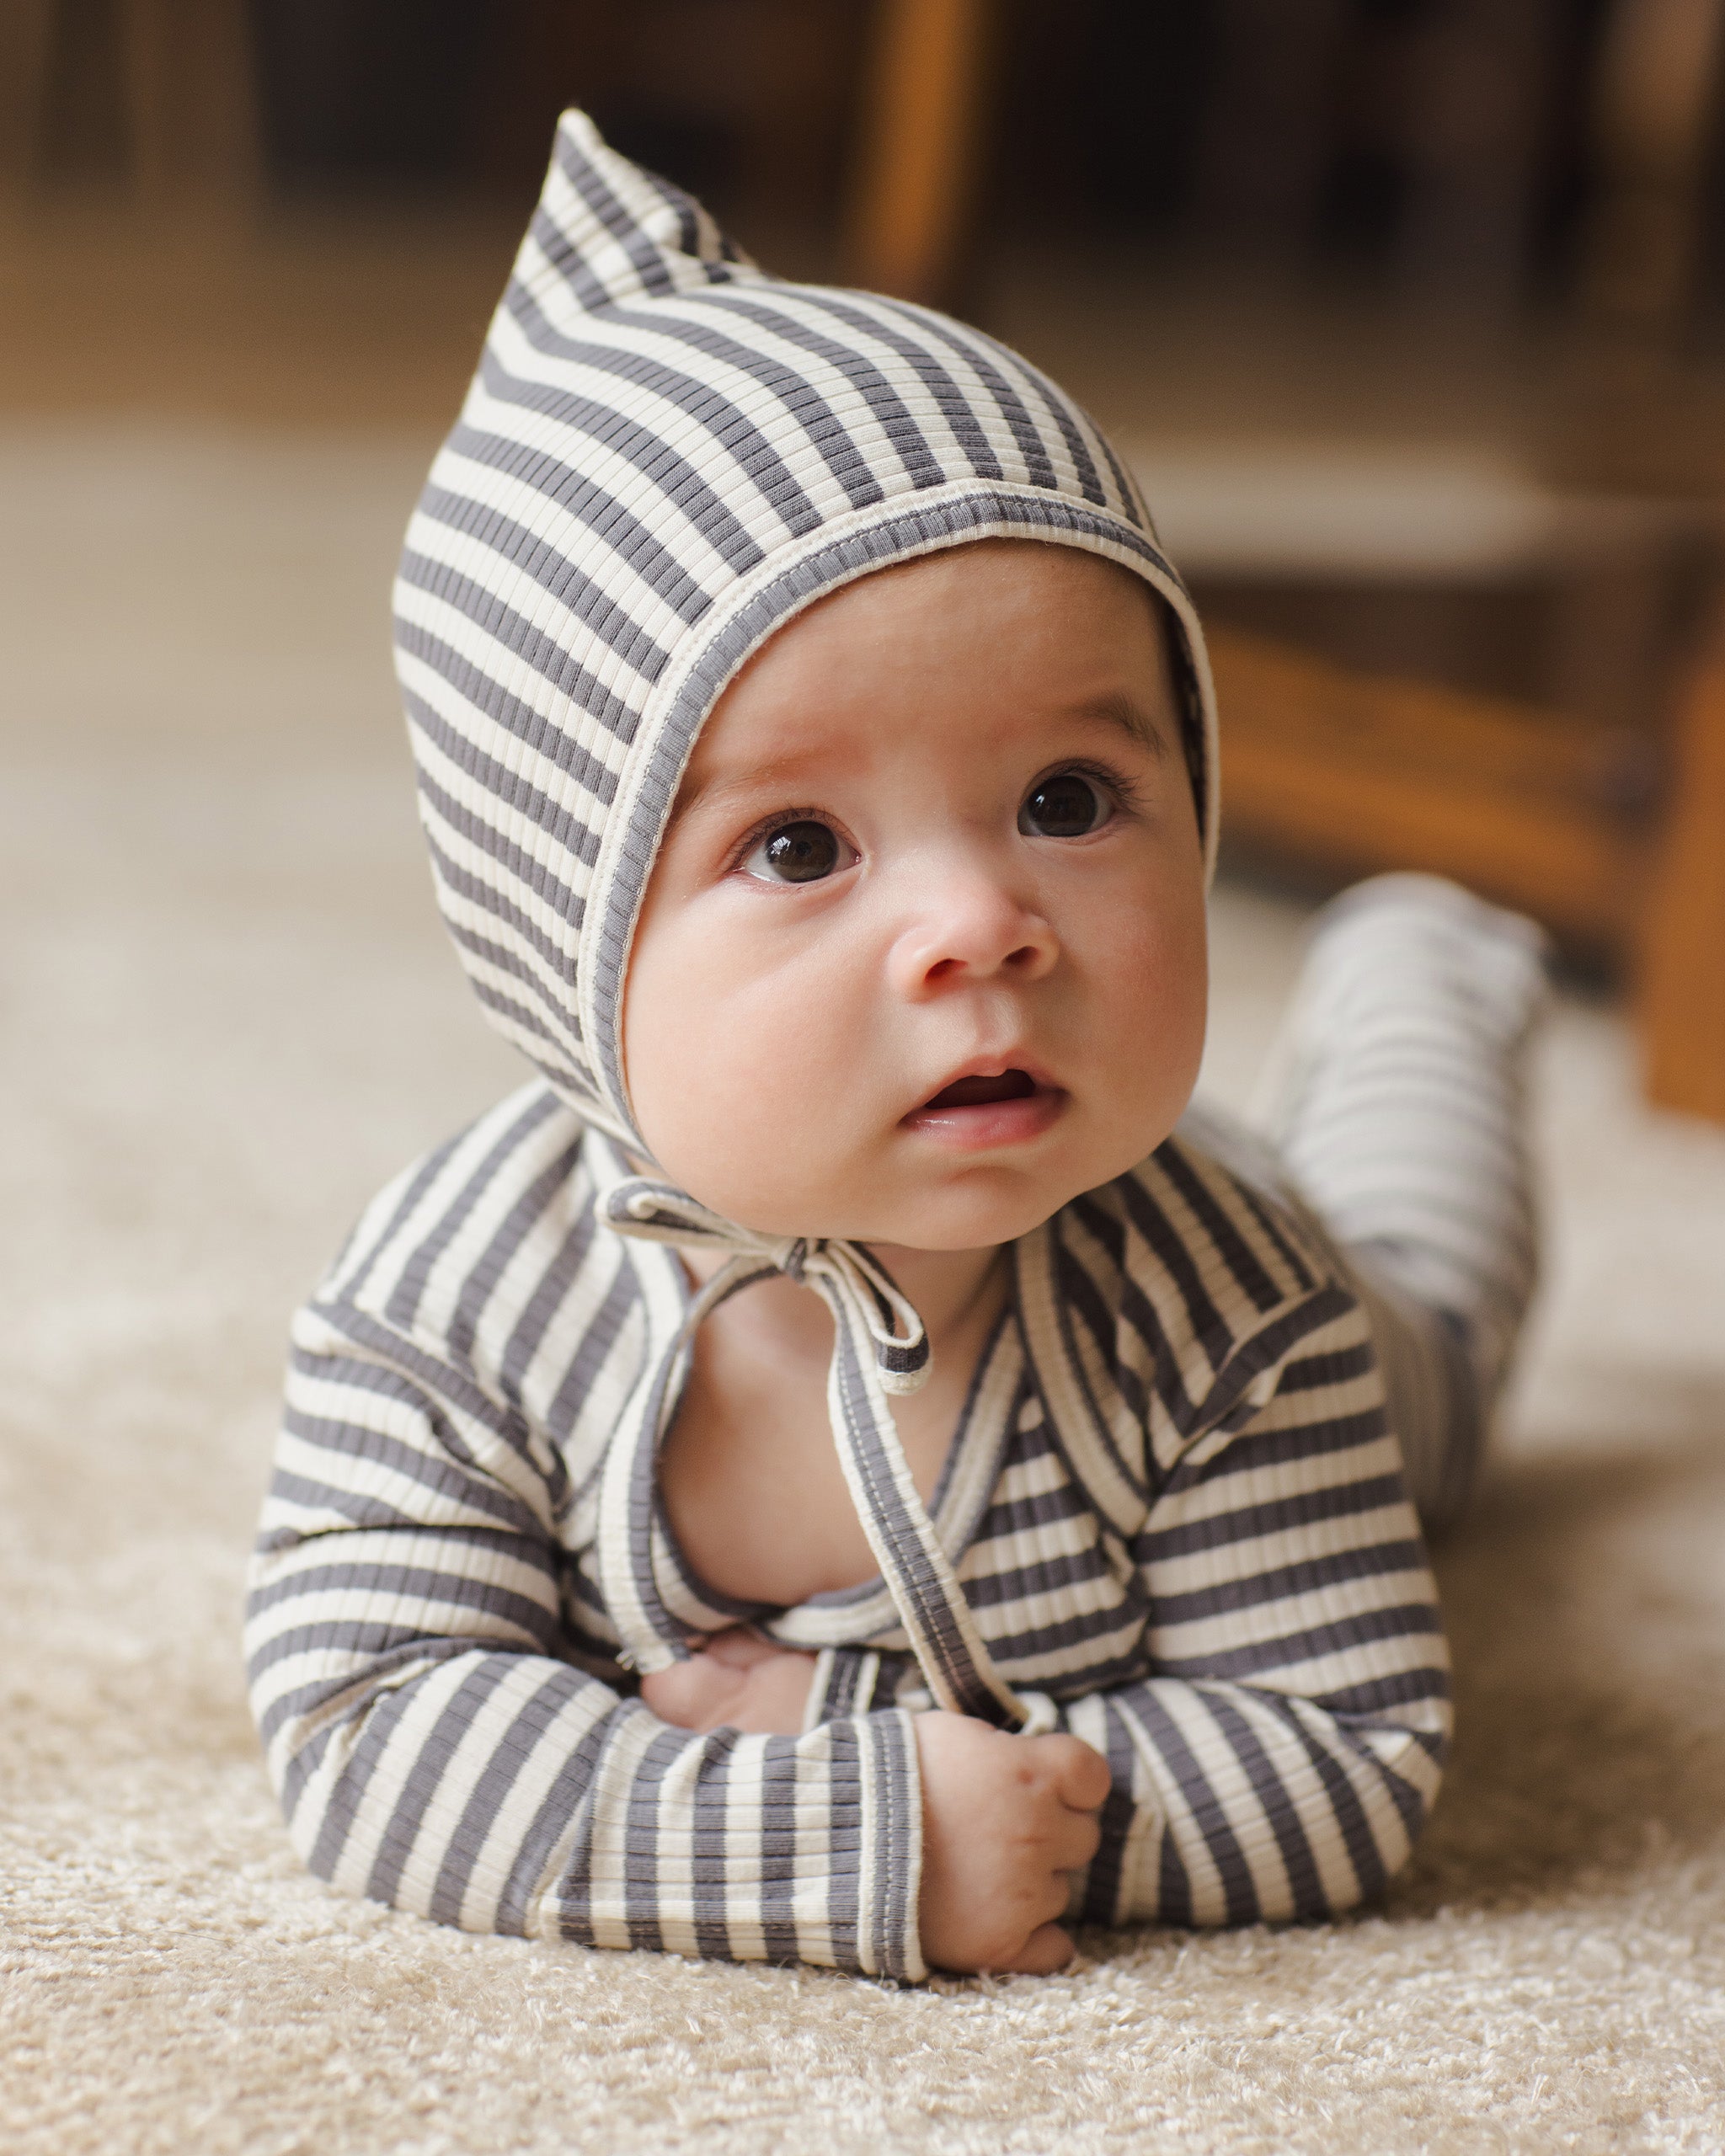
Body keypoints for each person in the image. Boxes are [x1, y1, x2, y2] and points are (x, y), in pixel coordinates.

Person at [244, 112, 1546, 1982]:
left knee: (1433, 1312)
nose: (982, 923)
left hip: (1324, 1310)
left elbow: (1345, 1748)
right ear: (563, 937)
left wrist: (848, 1740)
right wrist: (843, 1834)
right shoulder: (453, 1304)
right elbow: (364, 1724)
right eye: (797, 848)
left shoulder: (1232, 1310)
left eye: (1071, 795)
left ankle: (1419, 970)